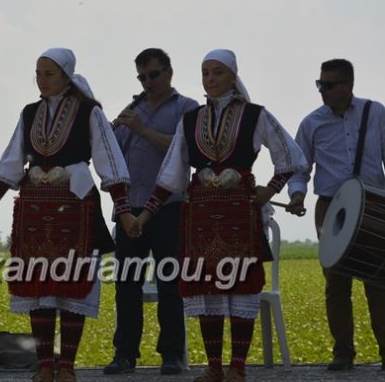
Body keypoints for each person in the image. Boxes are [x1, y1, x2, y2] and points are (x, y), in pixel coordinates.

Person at [135, 49, 307, 382]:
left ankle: (238, 367)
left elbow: (291, 157)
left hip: (240, 216)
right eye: (205, 73)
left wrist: (270, 190)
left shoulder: (256, 115)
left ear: (232, 76)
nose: (210, 80)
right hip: (199, 214)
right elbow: (171, 174)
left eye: (217, 73)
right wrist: (145, 214)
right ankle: (214, 367)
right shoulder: (191, 120)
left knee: (240, 286)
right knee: (206, 288)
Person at [0, 47, 135, 382]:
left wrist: (123, 211)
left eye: (48, 74)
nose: (41, 80)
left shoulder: (89, 112)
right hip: (36, 206)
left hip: (76, 206)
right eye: (37, 73)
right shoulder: (30, 112)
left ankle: (68, 366)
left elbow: (110, 160)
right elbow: (11, 160)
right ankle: (45, 364)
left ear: (66, 75)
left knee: (70, 288)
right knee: (39, 289)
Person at [286, 58, 385, 371]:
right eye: (320, 84)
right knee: (336, 283)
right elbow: (299, 169)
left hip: (374, 204)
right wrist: (297, 194)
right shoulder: (311, 123)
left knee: (379, 281)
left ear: (348, 86)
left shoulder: (376, 113)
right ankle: (343, 354)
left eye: (328, 85)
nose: (322, 91)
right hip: (331, 207)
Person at [105, 48, 199, 375]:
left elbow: (183, 152)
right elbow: (111, 158)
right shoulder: (135, 109)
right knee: (126, 283)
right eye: (142, 77)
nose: (148, 82)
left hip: (170, 209)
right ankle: (125, 354)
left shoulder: (187, 108)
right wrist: (113, 129)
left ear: (169, 72)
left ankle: (172, 354)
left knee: (169, 282)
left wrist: (142, 129)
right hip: (130, 208)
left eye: (153, 75)